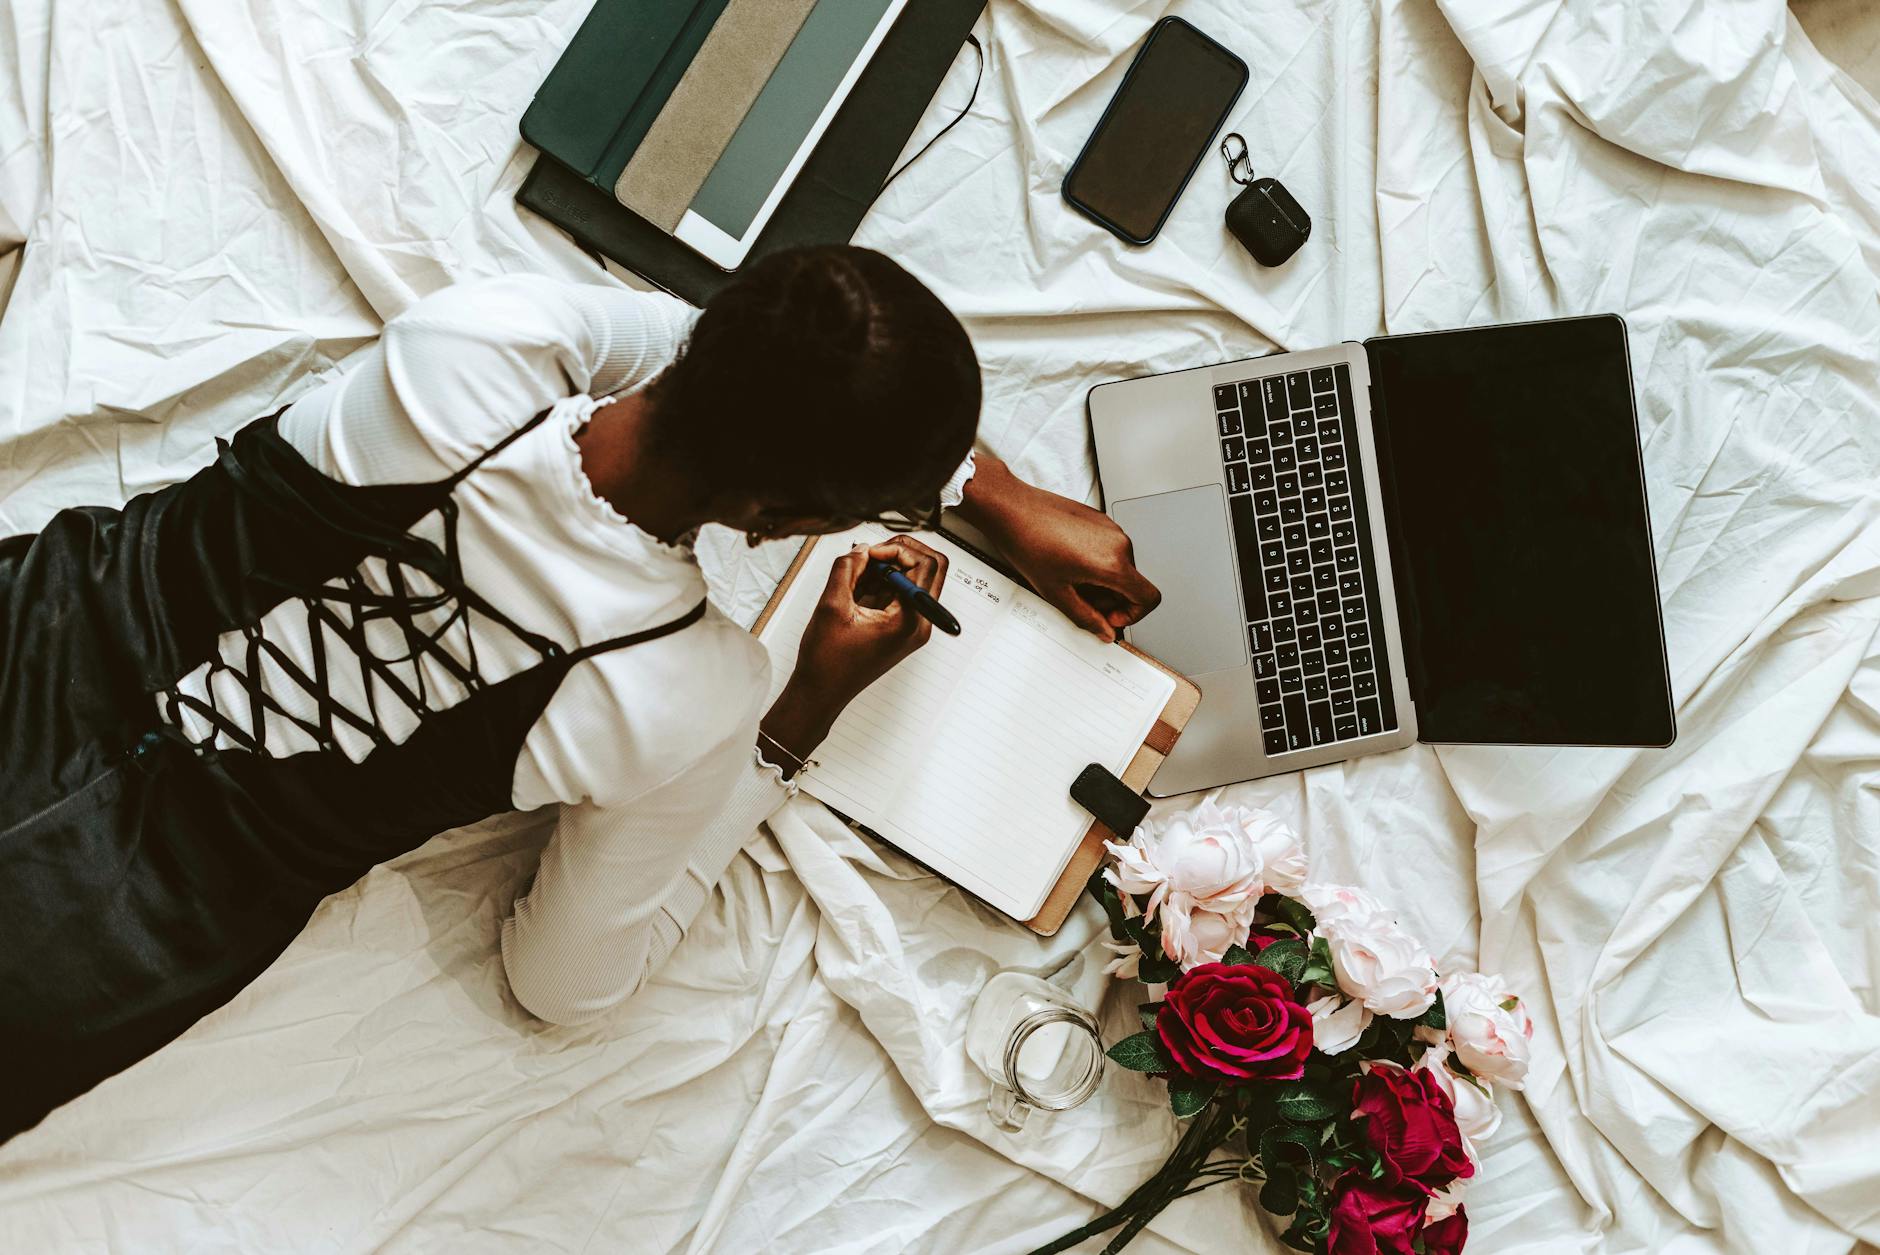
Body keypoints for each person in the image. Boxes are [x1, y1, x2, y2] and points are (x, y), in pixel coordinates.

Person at [0, 245, 1161, 1140]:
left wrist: (979, 488)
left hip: (33, 632)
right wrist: (798, 710)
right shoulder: (687, 685)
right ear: (786, 524)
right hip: (96, 939)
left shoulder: (481, 343)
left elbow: (706, 345)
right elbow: (560, 983)